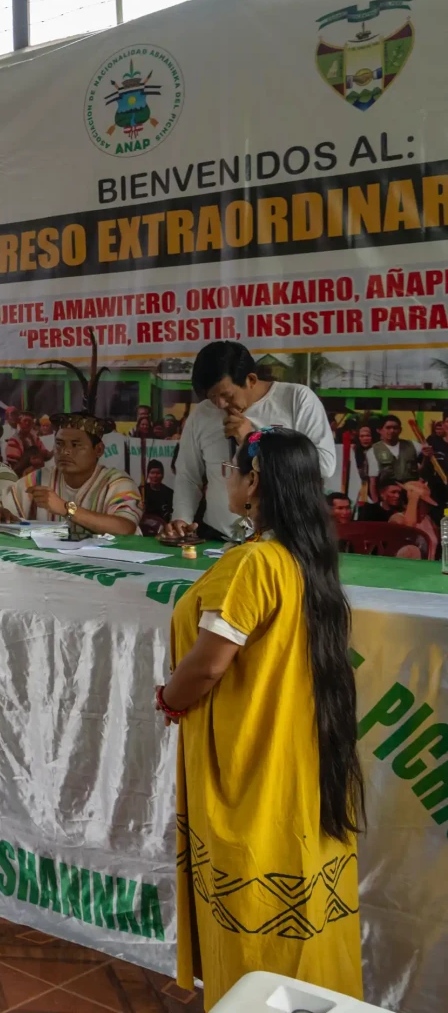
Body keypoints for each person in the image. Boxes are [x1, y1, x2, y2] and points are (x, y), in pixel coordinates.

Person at [159, 428, 363, 1007]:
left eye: (230, 469)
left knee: (255, 916)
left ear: (253, 484)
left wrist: (170, 698)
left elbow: (206, 666)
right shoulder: (309, 559)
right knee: (308, 920)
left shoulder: (255, 563)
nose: (224, 477)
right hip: (303, 758)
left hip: (252, 765)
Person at [165, 342, 337, 542]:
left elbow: (323, 466)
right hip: (218, 538)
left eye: (226, 395)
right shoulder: (202, 414)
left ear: (251, 379)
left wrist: (252, 440)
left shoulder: (296, 400)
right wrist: (181, 518)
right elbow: (188, 475)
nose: (220, 404)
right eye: (212, 397)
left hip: (284, 540)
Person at [0, 351, 140, 535]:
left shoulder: (116, 483)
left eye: (76, 445)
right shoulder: (40, 479)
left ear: (98, 449)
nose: (65, 451)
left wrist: (66, 508)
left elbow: (125, 527)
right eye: (60, 444)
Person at [370, 414, 419, 483]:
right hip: (386, 491)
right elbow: (372, 481)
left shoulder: (414, 446)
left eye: (395, 428)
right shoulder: (372, 451)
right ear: (379, 430)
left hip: (410, 490)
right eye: (388, 428)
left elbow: (423, 469)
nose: (392, 431)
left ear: (400, 430)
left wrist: (426, 457)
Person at [141, 460, 176, 536]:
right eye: (152, 473)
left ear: (163, 475)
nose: (155, 476)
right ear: (148, 474)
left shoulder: (169, 492)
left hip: (163, 530)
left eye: (158, 473)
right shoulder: (141, 490)